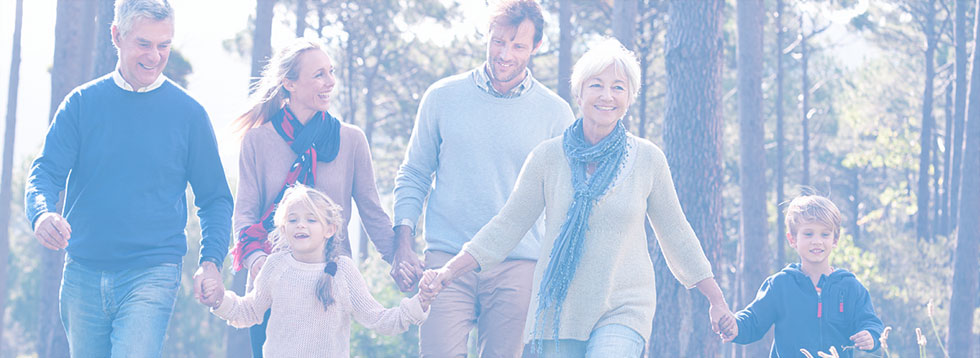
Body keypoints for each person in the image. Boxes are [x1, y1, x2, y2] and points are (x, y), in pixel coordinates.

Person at [422, 38, 736, 358]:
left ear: (629, 97)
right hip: (558, 314)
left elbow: (676, 233)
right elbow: (507, 226)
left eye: (618, 87)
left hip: (624, 308)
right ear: (579, 92)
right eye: (596, 85)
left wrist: (716, 300)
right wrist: (448, 271)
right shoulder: (548, 157)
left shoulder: (648, 160)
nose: (606, 95)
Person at [23, 0, 232, 356]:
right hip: (83, 274)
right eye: (144, 44)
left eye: (164, 45)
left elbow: (215, 198)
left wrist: (210, 261)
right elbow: (44, 172)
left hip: (152, 272)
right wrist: (41, 213)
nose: (155, 56)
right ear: (117, 36)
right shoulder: (81, 104)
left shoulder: (189, 115)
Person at [391, 0, 575, 356]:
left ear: (536, 47)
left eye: (518, 46)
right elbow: (414, 173)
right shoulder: (442, 97)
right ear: (487, 36)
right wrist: (403, 242)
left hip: (517, 265)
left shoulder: (556, 114)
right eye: (498, 41)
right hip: (445, 260)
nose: (505, 54)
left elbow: (563, 203)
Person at [228, 38, 402, 356]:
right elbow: (245, 214)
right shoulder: (257, 140)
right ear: (289, 83)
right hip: (274, 282)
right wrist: (256, 262)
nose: (330, 82)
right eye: (319, 74)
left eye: (331, 72)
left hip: (329, 284)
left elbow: (372, 211)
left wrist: (399, 260)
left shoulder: (351, 140)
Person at [203, 185, 432, 357]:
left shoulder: (343, 271)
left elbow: (379, 319)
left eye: (311, 220)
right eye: (293, 220)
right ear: (284, 228)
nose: (301, 225)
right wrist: (220, 300)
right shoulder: (276, 265)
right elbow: (249, 311)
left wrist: (417, 304)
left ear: (329, 229)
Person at [725, 195, 884, 357]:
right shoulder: (780, 285)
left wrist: (871, 335)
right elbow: (753, 320)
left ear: (835, 239)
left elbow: (870, 322)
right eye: (808, 234)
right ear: (792, 239)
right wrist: (734, 326)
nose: (817, 241)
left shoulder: (850, 287)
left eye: (825, 234)